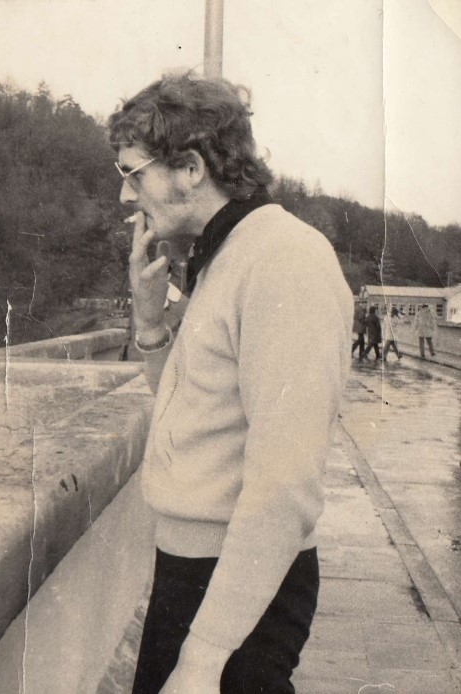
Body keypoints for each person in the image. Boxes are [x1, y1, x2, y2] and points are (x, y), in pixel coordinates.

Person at [109, 72, 353, 694]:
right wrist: (149, 322)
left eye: (134, 174)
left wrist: (203, 658)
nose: (125, 195)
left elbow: (284, 485)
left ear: (190, 168)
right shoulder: (227, 254)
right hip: (199, 573)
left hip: (238, 586)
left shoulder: (283, 260)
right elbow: (195, 410)